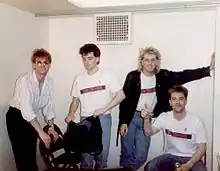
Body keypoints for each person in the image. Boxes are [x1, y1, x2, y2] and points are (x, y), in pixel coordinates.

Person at [118, 46, 214, 170]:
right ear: (141, 61)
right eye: (146, 60)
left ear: (157, 62)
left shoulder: (162, 75)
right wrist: (123, 122)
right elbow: (125, 100)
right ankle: (125, 168)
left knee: (141, 156)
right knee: (126, 153)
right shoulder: (133, 76)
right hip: (131, 117)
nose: (150, 63)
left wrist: (207, 70)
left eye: (153, 60)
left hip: (147, 118)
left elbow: (183, 75)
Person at [65, 43, 125, 169]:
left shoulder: (107, 75)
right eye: (84, 59)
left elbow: (121, 95)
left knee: (101, 157)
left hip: (103, 119)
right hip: (85, 120)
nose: (86, 62)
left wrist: (104, 109)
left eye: (90, 58)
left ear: (97, 58)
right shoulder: (79, 78)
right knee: (86, 158)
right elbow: (75, 100)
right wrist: (71, 113)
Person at [6, 48, 59, 171]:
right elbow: (26, 109)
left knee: (30, 152)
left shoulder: (50, 82)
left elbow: (48, 106)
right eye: (39, 62)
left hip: (31, 118)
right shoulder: (25, 80)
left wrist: (51, 127)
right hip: (17, 117)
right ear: (34, 64)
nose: (42, 65)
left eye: (46, 62)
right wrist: (41, 133)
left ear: (49, 65)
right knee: (22, 155)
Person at [143, 85, 207, 171]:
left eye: (181, 99)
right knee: (150, 167)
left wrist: (188, 165)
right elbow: (148, 132)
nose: (177, 102)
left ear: (185, 101)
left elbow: (202, 149)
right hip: (170, 156)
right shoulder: (164, 117)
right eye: (174, 99)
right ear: (170, 102)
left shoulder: (196, 121)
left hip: (191, 157)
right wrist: (146, 119)